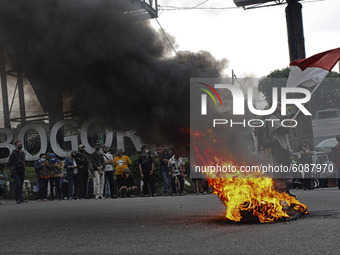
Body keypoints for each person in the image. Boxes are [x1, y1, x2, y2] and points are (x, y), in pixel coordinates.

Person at [268, 101, 294, 196]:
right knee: (280, 170)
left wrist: (303, 107)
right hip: (278, 146)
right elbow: (282, 130)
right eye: (278, 105)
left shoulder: (282, 118)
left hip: (285, 147)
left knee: (286, 170)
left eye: (281, 105)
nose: (280, 107)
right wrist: (291, 124)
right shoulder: (272, 119)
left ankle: (286, 191)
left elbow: (294, 115)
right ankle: (280, 191)